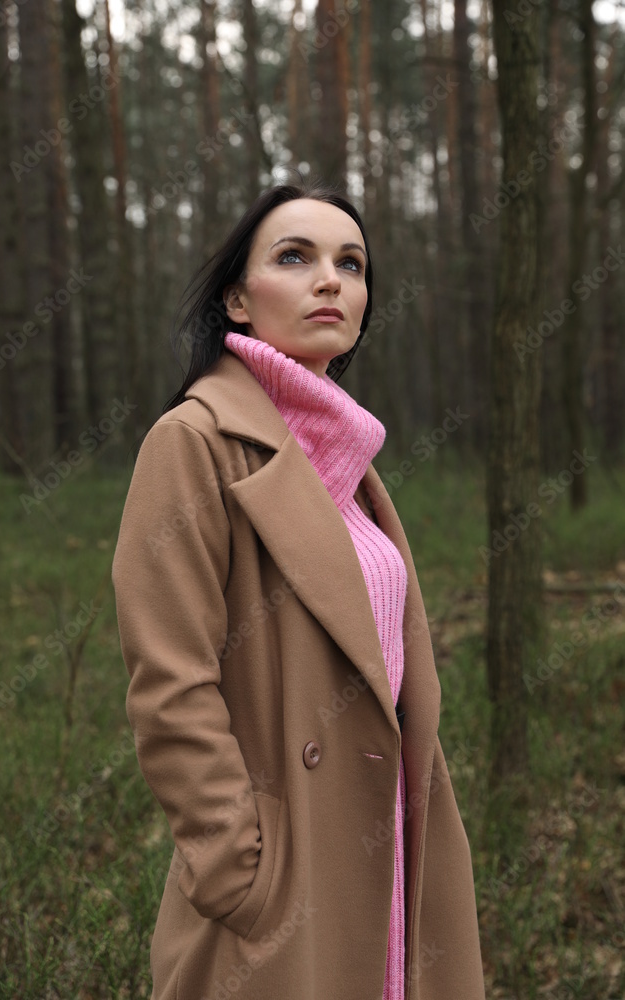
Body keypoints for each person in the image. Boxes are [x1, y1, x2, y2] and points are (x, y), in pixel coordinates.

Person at [111, 180, 486, 1000]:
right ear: (237, 300)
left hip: (389, 842)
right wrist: (236, 866)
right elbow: (171, 681)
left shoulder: (345, 457)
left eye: (350, 264)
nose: (329, 280)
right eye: (294, 257)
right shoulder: (192, 442)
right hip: (286, 875)